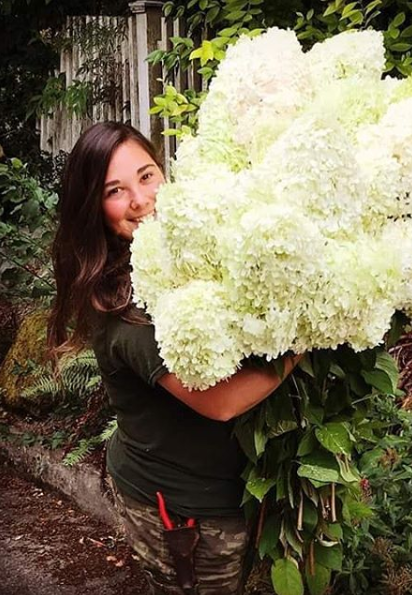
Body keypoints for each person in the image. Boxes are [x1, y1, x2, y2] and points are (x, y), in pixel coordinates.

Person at [47, 122, 301, 595]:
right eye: (115, 191)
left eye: (146, 176)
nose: (140, 200)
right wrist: (305, 337)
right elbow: (220, 402)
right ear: (94, 210)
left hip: (213, 488)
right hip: (183, 509)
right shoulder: (122, 309)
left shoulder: (182, 252)